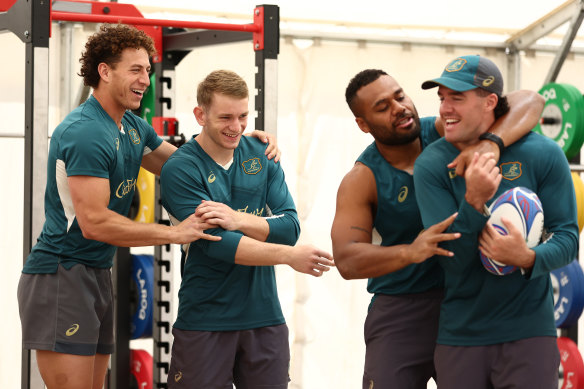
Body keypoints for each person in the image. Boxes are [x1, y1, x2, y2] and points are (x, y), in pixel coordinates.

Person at [17, 24, 279, 389]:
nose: (146, 79)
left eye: (148, 70)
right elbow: (94, 222)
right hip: (62, 273)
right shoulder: (86, 132)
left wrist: (237, 139)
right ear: (105, 72)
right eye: (136, 69)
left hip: (95, 271)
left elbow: (188, 165)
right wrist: (175, 233)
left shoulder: (133, 127)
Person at [331, 68, 545, 389]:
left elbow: (531, 100)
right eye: (382, 107)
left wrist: (491, 144)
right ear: (363, 124)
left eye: (399, 95)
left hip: (467, 298)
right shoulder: (361, 179)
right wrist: (410, 252)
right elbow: (346, 260)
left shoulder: (445, 129)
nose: (399, 107)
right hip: (403, 309)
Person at [159, 69, 335, 389]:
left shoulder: (262, 153)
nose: (236, 127)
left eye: (243, 116)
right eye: (225, 117)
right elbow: (218, 243)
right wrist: (289, 256)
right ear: (200, 114)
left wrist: (239, 219)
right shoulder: (180, 169)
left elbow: (290, 225)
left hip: (265, 317)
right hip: (206, 318)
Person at [413, 54, 579, 388]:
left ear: (490, 101)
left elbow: (568, 239)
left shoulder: (544, 153)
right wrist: (473, 201)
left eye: (456, 98)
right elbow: (452, 263)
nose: (444, 109)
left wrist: (528, 258)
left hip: (530, 334)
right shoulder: (432, 164)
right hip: (461, 336)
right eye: (442, 98)